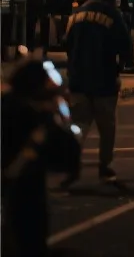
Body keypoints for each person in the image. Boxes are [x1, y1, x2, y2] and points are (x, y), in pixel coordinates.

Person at [1, 57, 81, 256]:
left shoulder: (13, 107)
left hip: (23, 188)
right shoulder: (32, 116)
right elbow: (66, 157)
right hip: (21, 190)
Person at [61, 0, 134, 185]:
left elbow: (66, 42)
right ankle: (105, 167)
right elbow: (126, 46)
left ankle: (71, 167)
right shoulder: (112, 15)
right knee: (106, 127)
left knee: (79, 126)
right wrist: (124, 64)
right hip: (104, 79)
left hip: (78, 78)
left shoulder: (76, 14)